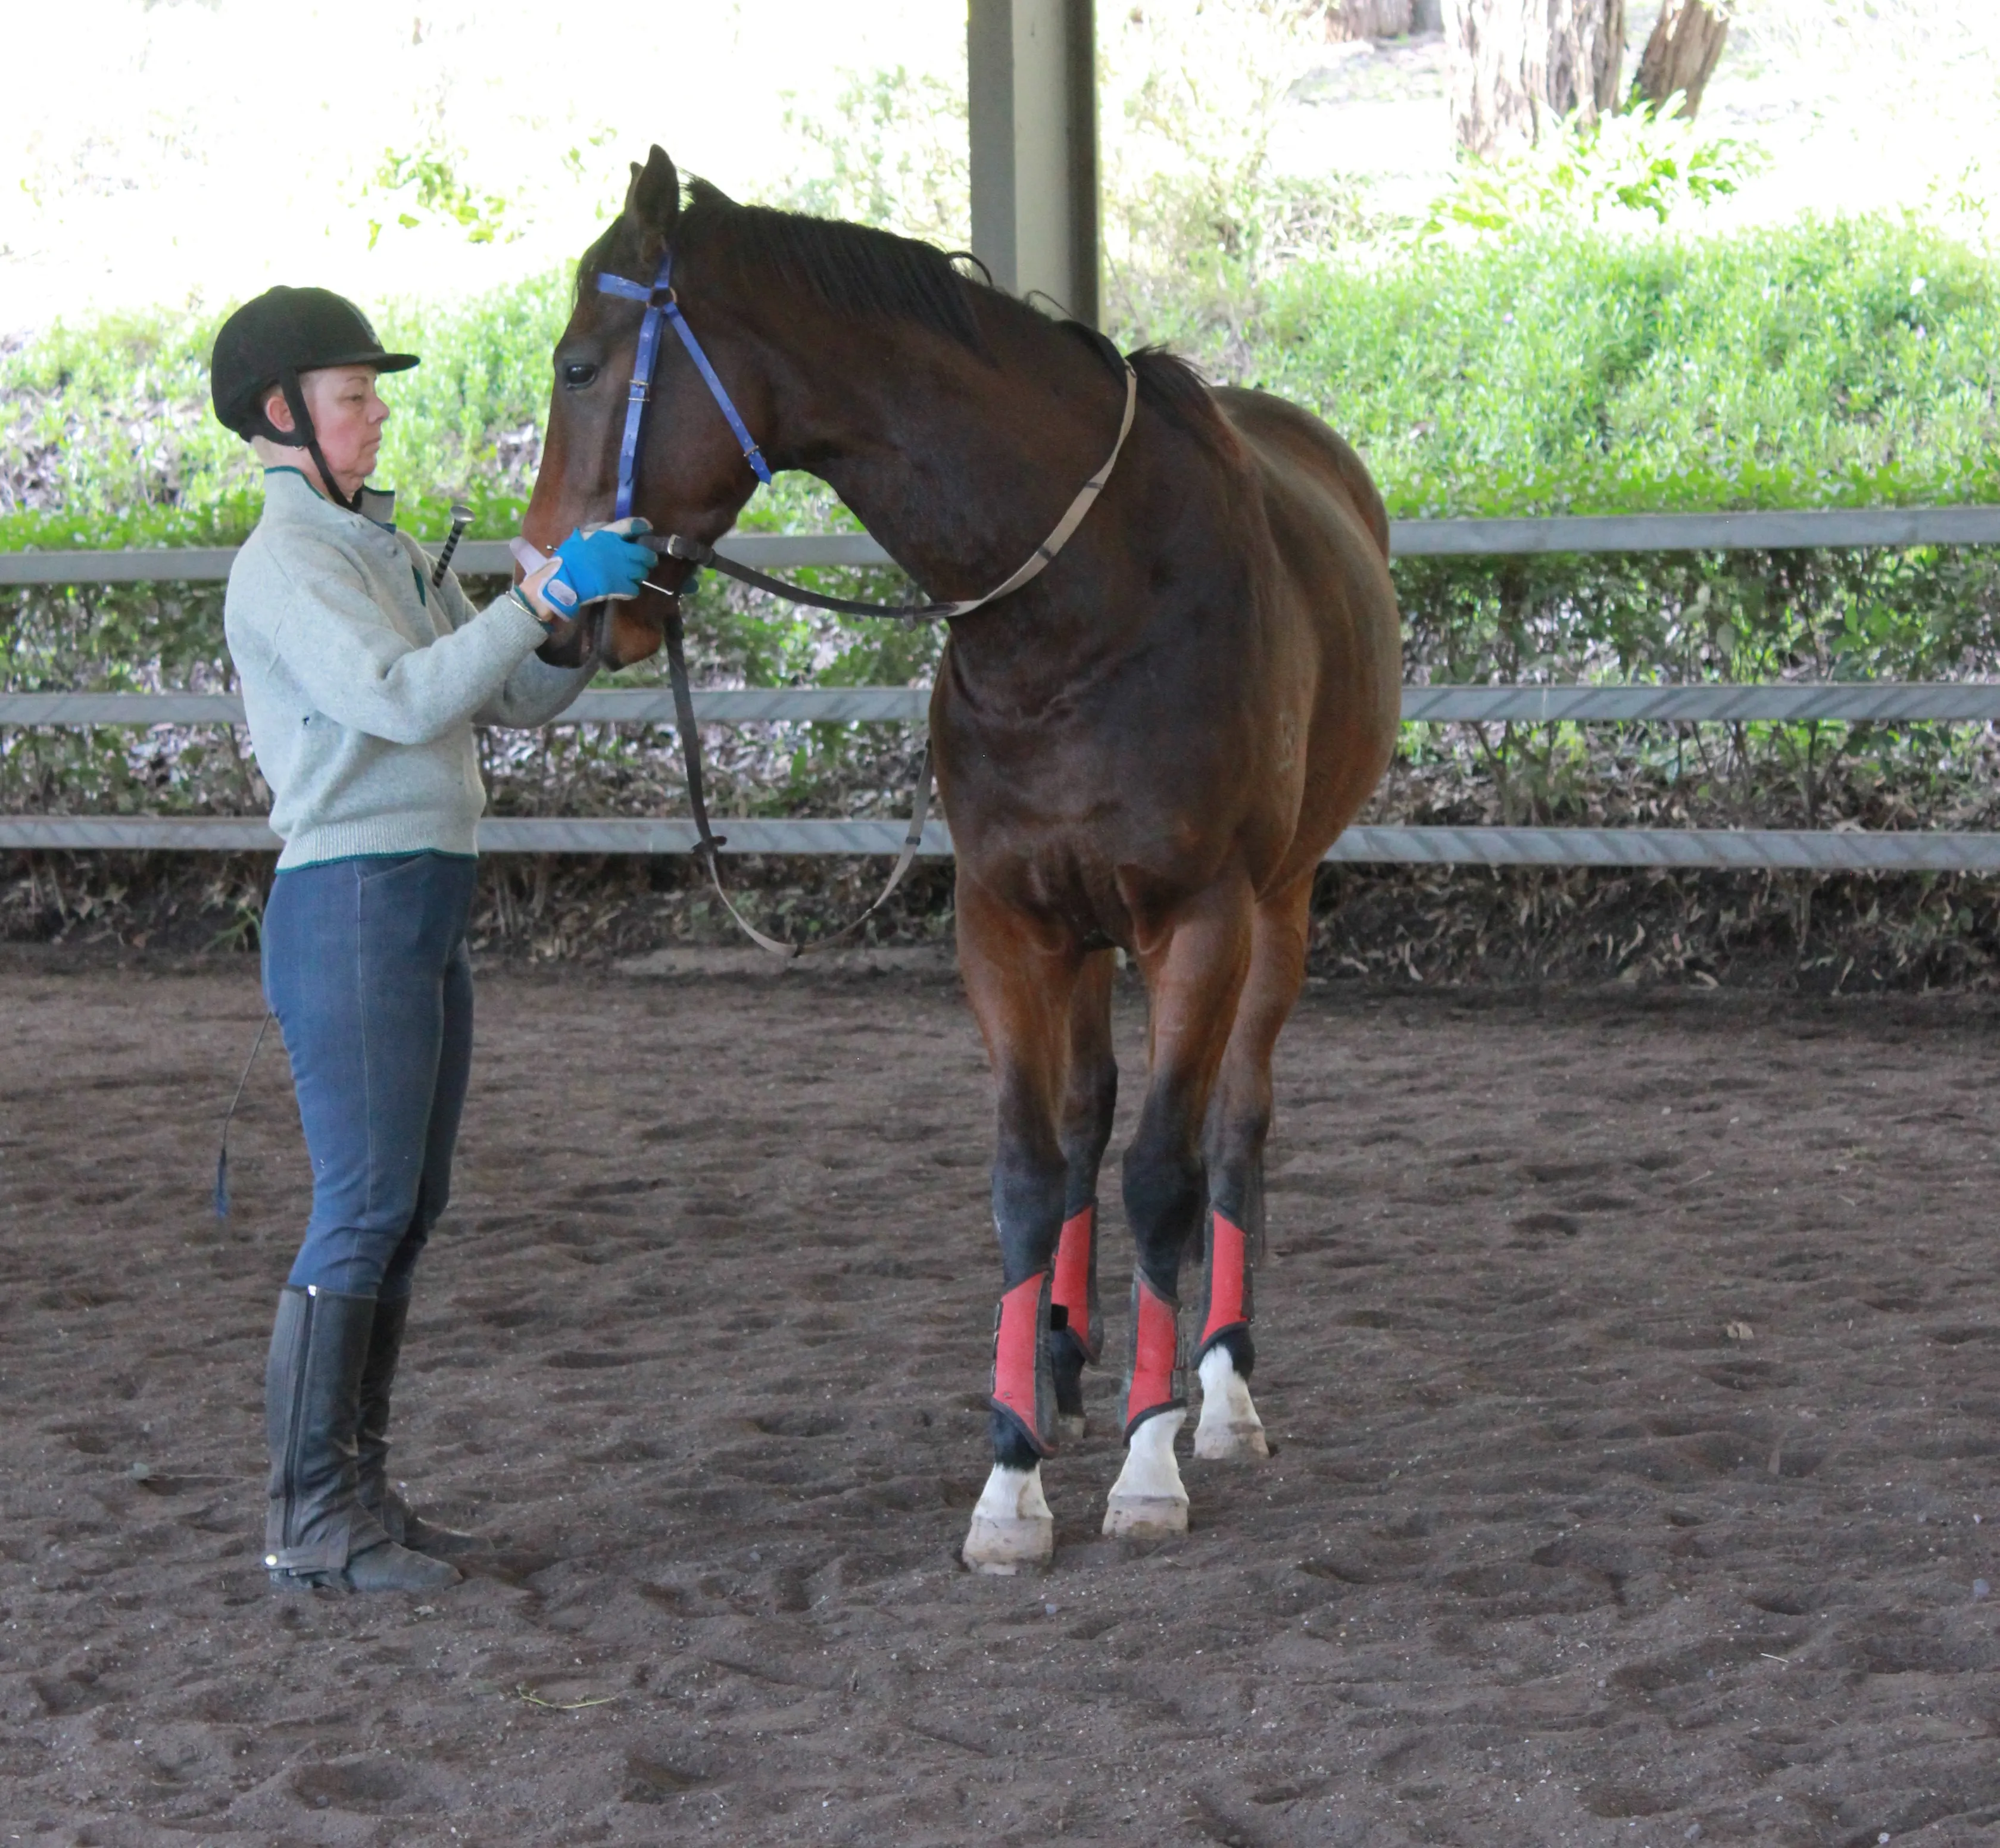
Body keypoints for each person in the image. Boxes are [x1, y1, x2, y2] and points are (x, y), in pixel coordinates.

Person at [211, 285, 654, 1593]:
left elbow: (502, 690)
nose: (377, 412)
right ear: (283, 416)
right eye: (354, 396)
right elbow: (402, 701)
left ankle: (354, 1490)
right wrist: (535, 598)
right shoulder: (290, 562)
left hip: (415, 891)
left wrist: (570, 619)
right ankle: (309, 1513)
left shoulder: (379, 549)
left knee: (406, 1206)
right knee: (361, 1206)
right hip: (352, 895)